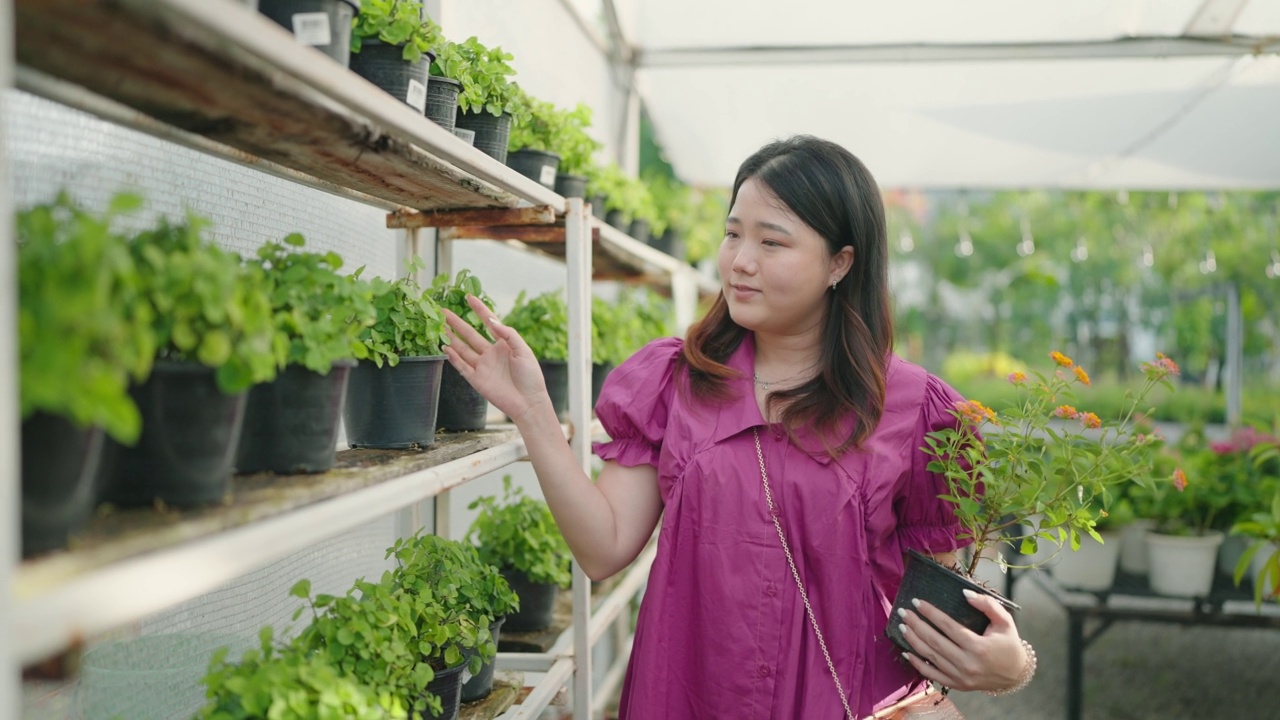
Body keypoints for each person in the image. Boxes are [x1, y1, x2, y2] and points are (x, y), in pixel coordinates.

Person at [442, 135, 1033, 719]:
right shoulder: (673, 381)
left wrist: (1012, 664)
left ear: (840, 263)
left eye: (771, 242)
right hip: (692, 696)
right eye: (732, 234)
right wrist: (534, 413)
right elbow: (603, 549)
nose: (740, 261)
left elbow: (937, 619)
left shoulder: (917, 411)